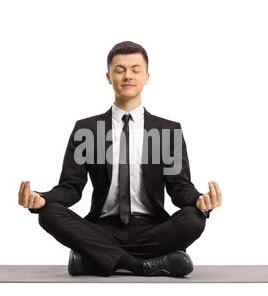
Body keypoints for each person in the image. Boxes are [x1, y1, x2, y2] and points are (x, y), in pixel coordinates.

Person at [18, 41, 222, 277]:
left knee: (193, 219)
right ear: (108, 77)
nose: (128, 76)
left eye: (135, 69)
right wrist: (42, 199)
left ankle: (93, 258)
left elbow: (179, 187)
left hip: (152, 228)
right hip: (103, 227)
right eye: (119, 70)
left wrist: (199, 200)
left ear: (147, 76)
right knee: (49, 214)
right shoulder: (88, 129)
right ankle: (142, 265)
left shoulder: (167, 131)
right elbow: (71, 188)